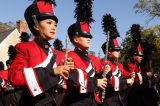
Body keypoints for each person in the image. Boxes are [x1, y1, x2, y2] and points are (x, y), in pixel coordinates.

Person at [8, 0, 74, 106]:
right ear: (36, 26)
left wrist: (67, 69)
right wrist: (53, 72)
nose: (53, 27)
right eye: (49, 23)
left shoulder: (55, 54)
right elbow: (15, 77)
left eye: (55, 24)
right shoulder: (25, 47)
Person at [65, 0, 107, 105]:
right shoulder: (70, 56)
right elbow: (76, 80)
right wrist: (96, 82)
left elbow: (99, 72)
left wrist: (106, 70)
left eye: (89, 36)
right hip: (76, 102)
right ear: (75, 39)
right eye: (85, 36)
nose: (89, 39)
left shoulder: (91, 58)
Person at [100, 14, 135, 106]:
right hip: (108, 100)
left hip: (119, 100)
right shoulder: (104, 63)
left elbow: (125, 74)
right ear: (109, 52)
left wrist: (131, 75)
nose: (119, 51)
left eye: (119, 49)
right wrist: (127, 81)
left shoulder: (119, 65)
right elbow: (111, 82)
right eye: (117, 50)